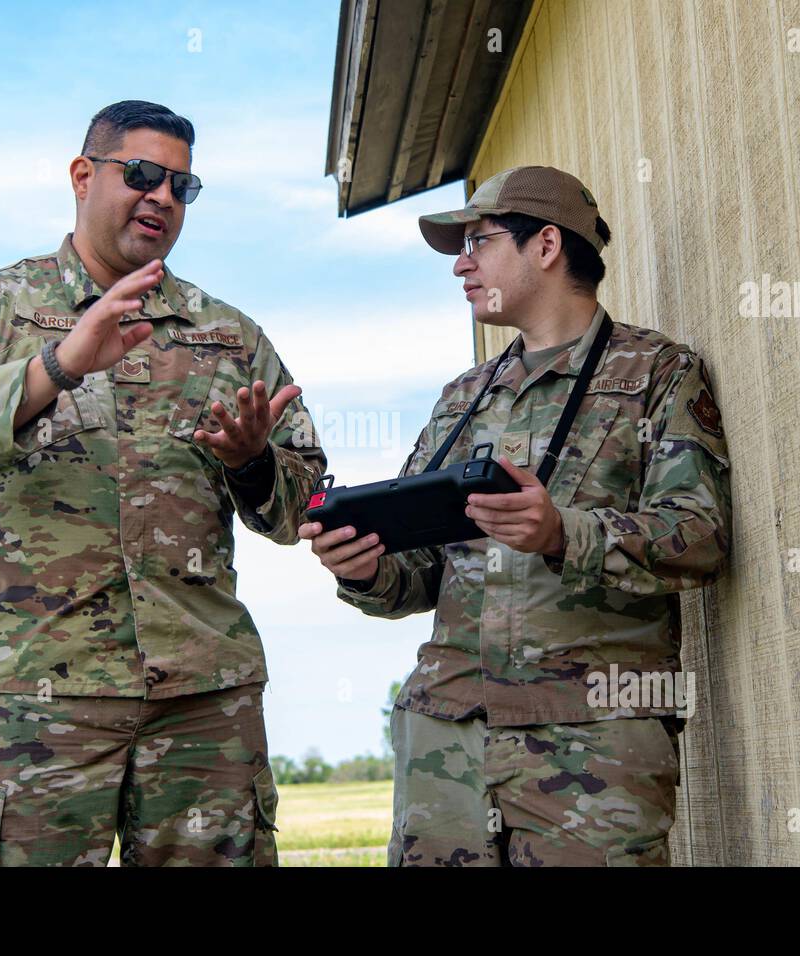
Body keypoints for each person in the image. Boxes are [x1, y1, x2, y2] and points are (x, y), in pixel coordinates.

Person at [0, 99, 324, 866]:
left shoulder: (231, 335)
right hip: (36, 700)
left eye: (183, 185)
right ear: (83, 176)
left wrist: (251, 464)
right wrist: (56, 367)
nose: (162, 198)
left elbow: (303, 505)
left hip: (200, 704)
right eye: (142, 174)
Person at [299, 165, 731, 866]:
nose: (461, 265)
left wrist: (565, 533)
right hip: (447, 740)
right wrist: (366, 568)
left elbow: (702, 536)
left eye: (479, 241)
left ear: (548, 246)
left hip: (591, 748)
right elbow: (420, 574)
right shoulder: (462, 396)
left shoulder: (659, 373)